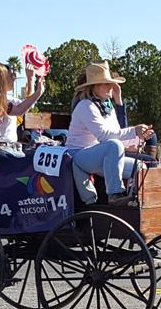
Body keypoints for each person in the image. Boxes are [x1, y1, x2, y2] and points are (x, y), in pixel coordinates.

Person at [66, 61, 153, 206]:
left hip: (98, 155)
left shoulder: (107, 107)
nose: (111, 86)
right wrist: (133, 131)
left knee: (140, 166)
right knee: (113, 145)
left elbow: (116, 134)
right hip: (79, 155)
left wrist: (139, 137)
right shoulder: (85, 105)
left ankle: (133, 203)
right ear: (94, 86)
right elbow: (105, 136)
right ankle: (115, 195)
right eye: (106, 83)